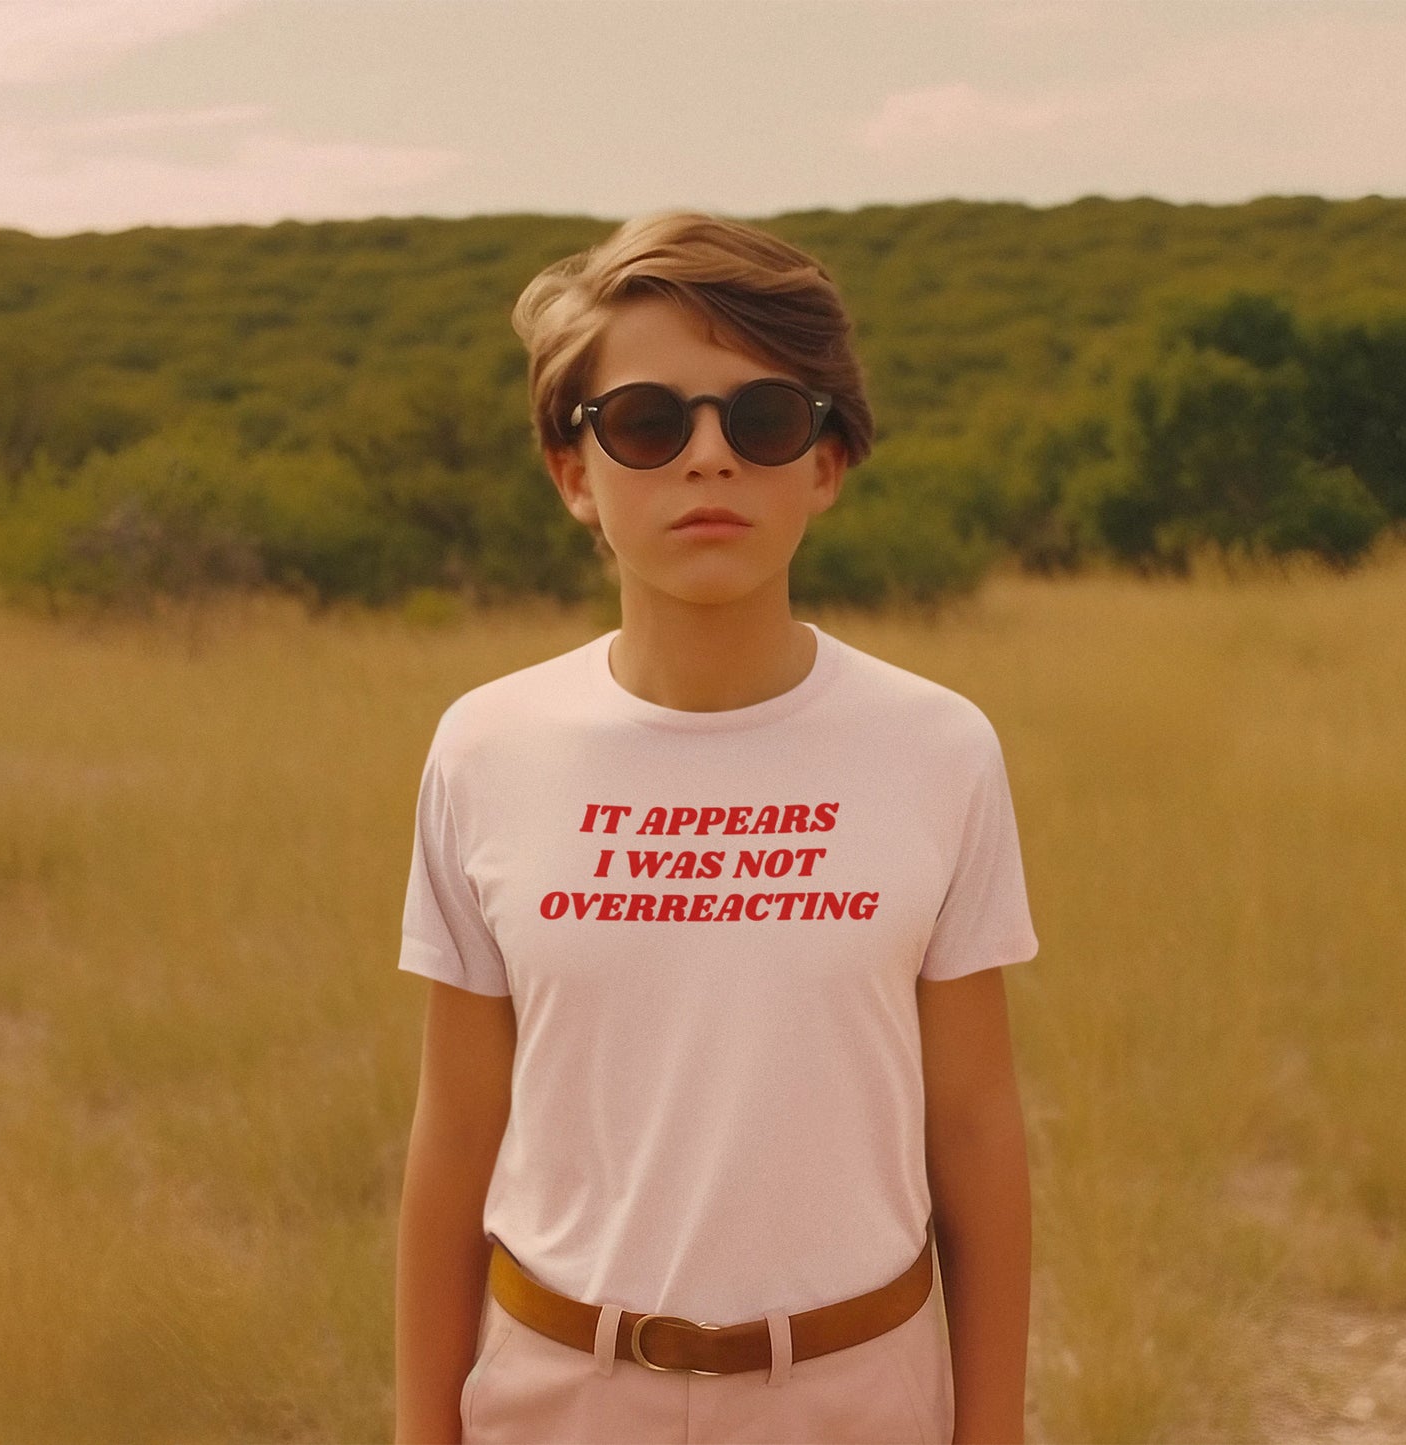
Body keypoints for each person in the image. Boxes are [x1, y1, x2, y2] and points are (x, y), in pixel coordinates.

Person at [394, 212, 1038, 1445]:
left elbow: (973, 1124)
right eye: (645, 420)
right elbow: (456, 1126)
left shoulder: (937, 746)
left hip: (860, 1388)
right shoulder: (484, 746)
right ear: (573, 472)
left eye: (761, 418)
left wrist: (990, 1429)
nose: (706, 459)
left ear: (826, 463)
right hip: (555, 1390)